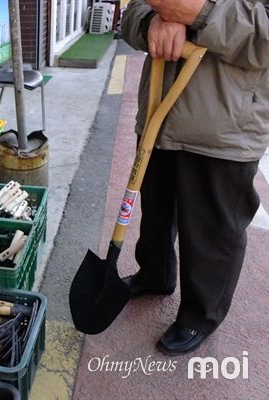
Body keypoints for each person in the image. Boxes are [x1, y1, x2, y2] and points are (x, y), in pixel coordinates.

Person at [120, 0, 269, 355]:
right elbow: (132, 11)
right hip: (159, 111)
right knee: (155, 210)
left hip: (225, 124)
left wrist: (197, 15)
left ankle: (201, 314)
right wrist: (152, 21)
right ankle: (154, 274)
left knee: (213, 229)